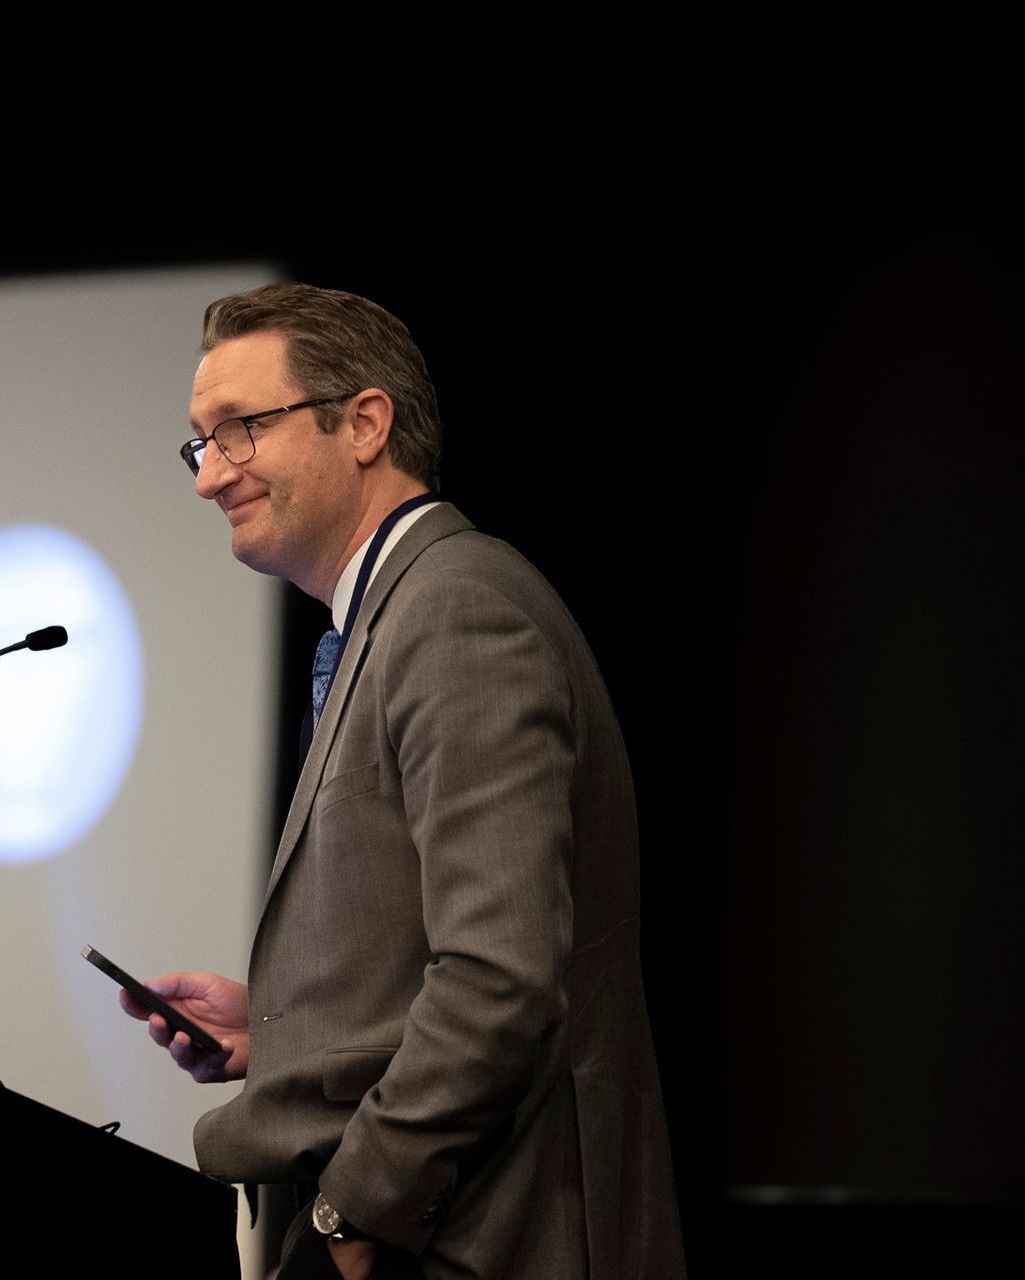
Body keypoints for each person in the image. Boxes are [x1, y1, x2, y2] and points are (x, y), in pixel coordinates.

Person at [122, 283, 684, 1279]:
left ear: (366, 423)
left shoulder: (457, 608)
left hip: (481, 1243)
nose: (210, 475)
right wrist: (283, 1025)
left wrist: (352, 1214)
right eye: (199, 443)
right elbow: (442, 948)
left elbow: (499, 978)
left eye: (239, 430)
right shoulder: (394, 612)